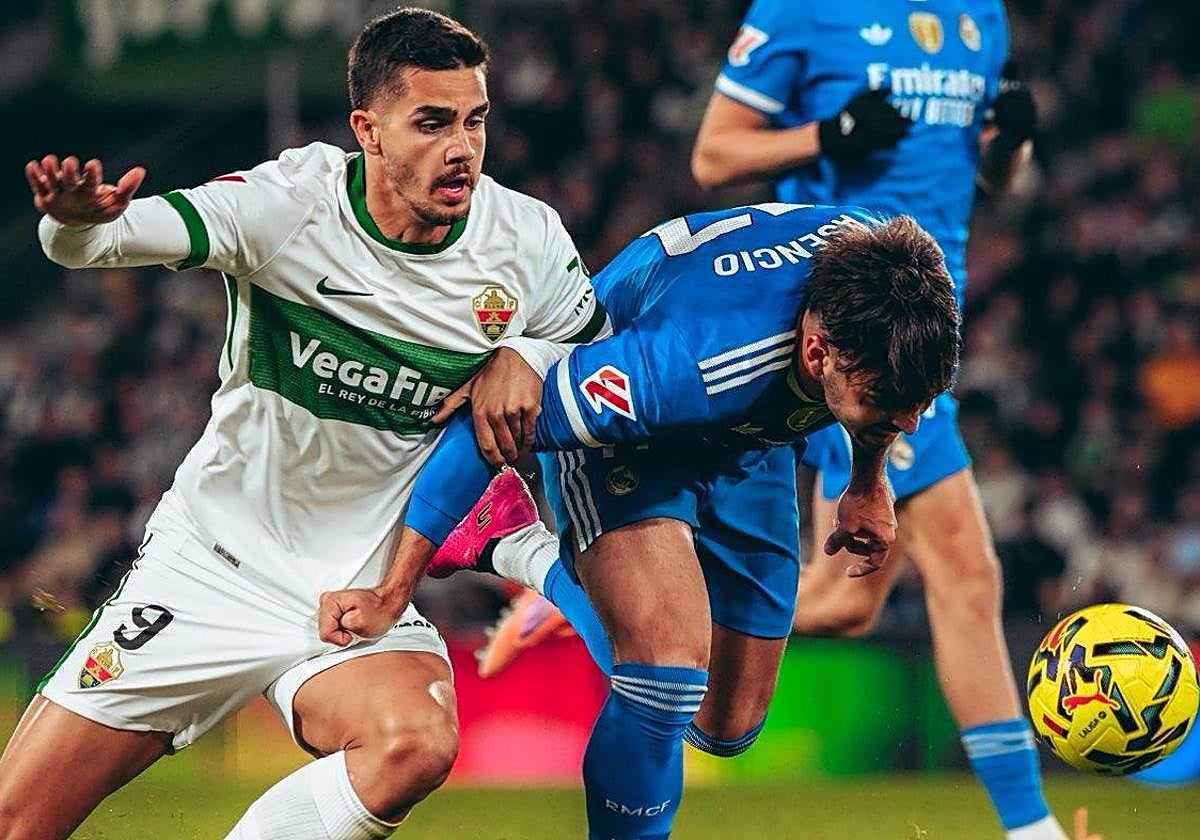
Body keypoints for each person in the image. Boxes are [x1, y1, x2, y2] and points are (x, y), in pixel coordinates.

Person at [0, 8, 607, 840]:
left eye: (474, 120)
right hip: (212, 563)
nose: (461, 147)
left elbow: (600, 366)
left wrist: (531, 356)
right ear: (369, 131)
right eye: (430, 123)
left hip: (355, 593)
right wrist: (74, 220)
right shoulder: (289, 205)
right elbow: (102, 240)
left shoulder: (528, 242)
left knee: (414, 743)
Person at [318, 203, 963, 840]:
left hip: (752, 435)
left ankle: (529, 553)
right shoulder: (680, 363)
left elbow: (896, 398)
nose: (909, 421)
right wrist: (393, 587)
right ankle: (503, 533)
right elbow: (489, 421)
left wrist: (867, 482)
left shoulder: (895, 294)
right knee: (666, 674)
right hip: (635, 434)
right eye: (887, 402)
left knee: (723, 723)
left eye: (917, 404)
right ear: (818, 353)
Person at [688, 3, 1073, 840]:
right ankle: (1032, 829)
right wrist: (827, 136)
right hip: (857, 331)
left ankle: (644, 605)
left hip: (936, 329)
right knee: (967, 577)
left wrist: (1009, 142)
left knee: (849, 603)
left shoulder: (980, 17)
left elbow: (994, 179)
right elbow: (714, 153)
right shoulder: (800, 12)